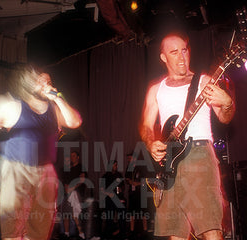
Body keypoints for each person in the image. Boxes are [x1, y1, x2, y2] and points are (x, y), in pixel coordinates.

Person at [139, 30, 235, 240]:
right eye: (174, 52)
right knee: (176, 232)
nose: (181, 57)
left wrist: (227, 103)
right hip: (169, 164)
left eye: (184, 50)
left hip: (199, 155)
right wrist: (150, 143)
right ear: (163, 57)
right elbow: (146, 126)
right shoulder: (156, 89)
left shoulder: (204, 81)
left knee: (210, 227)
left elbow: (224, 117)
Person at [0, 65, 82, 240]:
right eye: (40, 80)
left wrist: (58, 98)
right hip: (16, 169)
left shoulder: (54, 110)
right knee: (13, 227)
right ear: (29, 84)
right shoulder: (13, 105)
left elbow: (75, 121)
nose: (45, 84)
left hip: (45, 172)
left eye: (48, 81)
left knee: (40, 231)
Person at [60, 150, 87, 239]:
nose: (72, 158)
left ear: (78, 157)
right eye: (71, 156)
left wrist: (73, 187)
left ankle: (81, 233)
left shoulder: (81, 167)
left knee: (75, 214)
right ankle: (66, 233)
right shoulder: (68, 168)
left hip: (77, 193)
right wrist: (66, 187)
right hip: (67, 193)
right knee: (66, 214)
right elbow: (65, 181)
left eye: (74, 156)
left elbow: (82, 180)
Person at [100, 160, 126, 239]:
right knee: (109, 218)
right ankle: (109, 235)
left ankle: (123, 234)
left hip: (118, 198)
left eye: (116, 165)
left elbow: (122, 186)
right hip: (109, 199)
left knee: (122, 216)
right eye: (114, 165)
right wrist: (109, 194)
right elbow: (102, 189)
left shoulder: (119, 175)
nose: (116, 166)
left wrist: (121, 190)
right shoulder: (105, 176)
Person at [125, 152, 148, 238]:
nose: (129, 160)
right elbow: (126, 178)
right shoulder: (129, 167)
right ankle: (132, 230)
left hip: (141, 193)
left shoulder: (141, 167)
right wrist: (129, 181)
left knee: (143, 212)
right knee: (132, 212)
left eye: (130, 158)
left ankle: (145, 230)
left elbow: (145, 180)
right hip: (132, 193)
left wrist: (137, 183)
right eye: (128, 158)